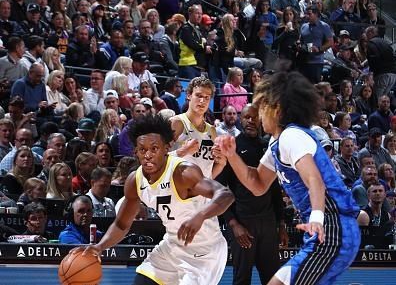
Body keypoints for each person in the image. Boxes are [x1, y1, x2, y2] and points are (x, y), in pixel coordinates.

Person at [217, 71, 360, 285]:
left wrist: (316, 219)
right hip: (326, 231)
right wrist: (231, 156)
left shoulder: (292, 137)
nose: (258, 115)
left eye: (261, 108)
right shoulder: (276, 145)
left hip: (331, 228)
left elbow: (315, 180)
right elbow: (256, 183)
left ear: (277, 110)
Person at [78, 114, 234, 284]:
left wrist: (200, 216)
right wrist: (100, 246)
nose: (148, 155)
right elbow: (121, 224)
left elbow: (225, 195)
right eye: (142, 150)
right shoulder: (134, 180)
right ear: (135, 151)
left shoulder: (183, 172)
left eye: (154, 149)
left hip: (205, 252)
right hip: (173, 246)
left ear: (167, 148)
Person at [217, 104, 286, 284]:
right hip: (242, 222)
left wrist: (281, 223)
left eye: (255, 117)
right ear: (241, 119)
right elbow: (219, 190)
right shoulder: (232, 148)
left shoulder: (268, 146)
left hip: (268, 222)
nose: (250, 121)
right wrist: (233, 224)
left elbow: (275, 188)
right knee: (242, 279)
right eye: (247, 117)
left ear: (261, 119)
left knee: (273, 278)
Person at [170, 76, 224, 178]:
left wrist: (221, 163)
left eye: (207, 97)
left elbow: (209, 174)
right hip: (178, 191)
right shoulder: (177, 122)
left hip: (202, 191)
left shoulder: (212, 130)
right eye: (199, 95)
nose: (202, 101)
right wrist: (183, 151)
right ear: (189, 95)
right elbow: (159, 159)